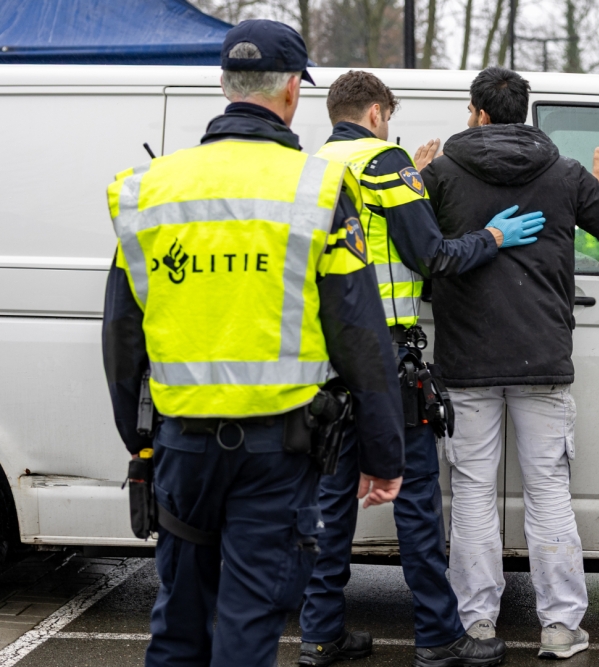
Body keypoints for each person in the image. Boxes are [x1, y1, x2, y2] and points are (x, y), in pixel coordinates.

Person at [102, 20, 405, 667]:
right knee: (246, 629)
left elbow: (122, 333)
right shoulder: (317, 190)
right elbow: (359, 333)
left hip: (182, 446)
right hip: (276, 454)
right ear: (293, 91)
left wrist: (139, 437)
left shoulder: (149, 189)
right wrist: (383, 452)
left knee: (178, 627)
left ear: (224, 84)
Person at [298, 70, 536, 667]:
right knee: (415, 498)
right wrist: (492, 236)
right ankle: (437, 636)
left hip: (324, 364)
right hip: (385, 361)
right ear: (377, 113)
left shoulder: (306, 170)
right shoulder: (384, 162)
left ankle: (320, 634)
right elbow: (430, 253)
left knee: (332, 501)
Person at [420, 66, 599, 659]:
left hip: (465, 361)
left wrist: (417, 178)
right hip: (542, 357)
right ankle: (561, 626)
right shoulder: (565, 173)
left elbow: (417, 250)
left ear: (477, 112)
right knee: (548, 489)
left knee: (471, 491)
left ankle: (476, 625)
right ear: (523, 111)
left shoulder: (442, 173)